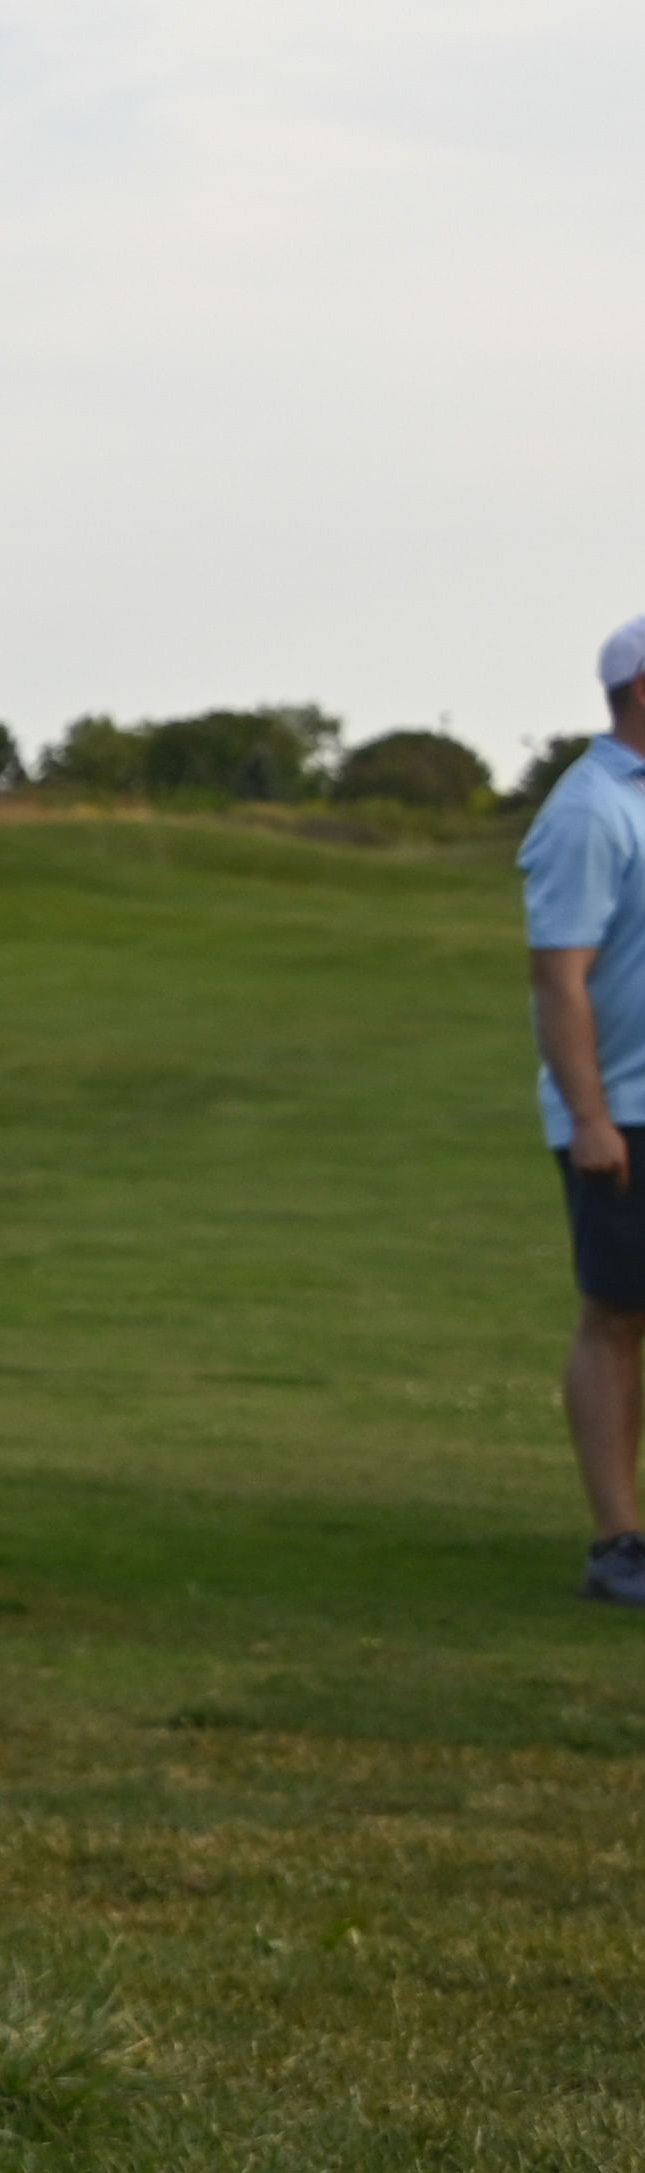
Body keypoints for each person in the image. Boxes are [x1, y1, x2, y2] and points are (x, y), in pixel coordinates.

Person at [524, 614, 645, 1605]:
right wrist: (591, 1115)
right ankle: (618, 1545)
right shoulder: (590, 808)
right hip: (626, 1112)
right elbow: (559, 979)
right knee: (618, 1314)